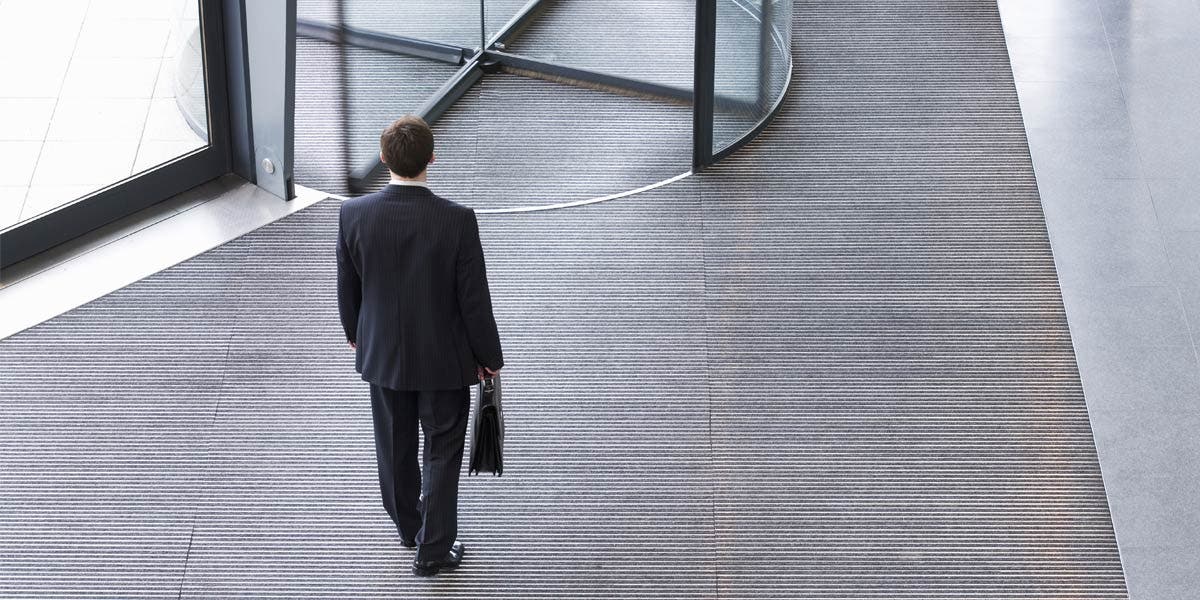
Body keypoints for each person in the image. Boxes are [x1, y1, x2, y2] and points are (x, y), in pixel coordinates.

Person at [336, 115, 504, 577]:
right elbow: (474, 300)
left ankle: (409, 527)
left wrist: (356, 335)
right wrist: (490, 358)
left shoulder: (354, 215)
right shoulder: (457, 220)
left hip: (383, 354)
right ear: (432, 157)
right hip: (444, 358)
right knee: (442, 448)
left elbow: (348, 288)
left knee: (393, 446)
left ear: (384, 158)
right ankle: (432, 548)